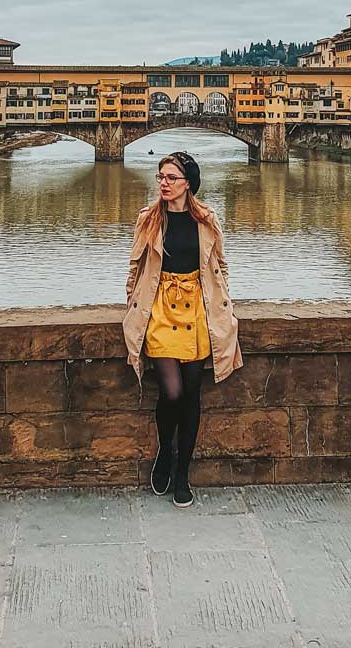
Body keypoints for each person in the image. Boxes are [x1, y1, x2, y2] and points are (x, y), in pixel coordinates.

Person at [123, 150, 242, 507]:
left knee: (192, 395)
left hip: (197, 312)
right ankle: (164, 451)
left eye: (171, 177)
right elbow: (134, 267)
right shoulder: (148, 219)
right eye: (160, 176)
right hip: (161, 309)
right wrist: (134, 302)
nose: (163, 183)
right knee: (171, 392)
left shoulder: (206, 220)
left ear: (188, 183)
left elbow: (220, 265)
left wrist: (224, 307)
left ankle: (182, 473)